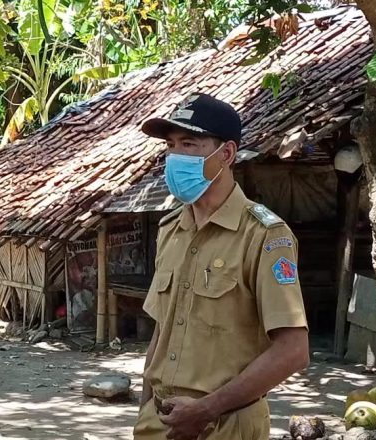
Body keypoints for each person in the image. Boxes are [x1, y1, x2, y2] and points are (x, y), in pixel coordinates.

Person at [133, 93, 310, 440]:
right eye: (170, 145)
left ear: (226, 154)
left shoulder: (264, 236)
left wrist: (207, 409)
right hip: (161, 422)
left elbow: (293, 351)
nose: (175, 156)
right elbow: (161, 330)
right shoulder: (171, 230)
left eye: (189, 143)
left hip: (226, 425)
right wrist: (145, 409)